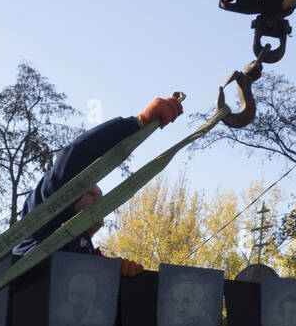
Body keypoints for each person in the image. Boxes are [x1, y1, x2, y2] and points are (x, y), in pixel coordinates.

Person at [13, 96, 183, 268]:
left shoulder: (83, 253)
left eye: (100, 197)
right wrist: (138, 123)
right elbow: (76, 156)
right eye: (92, 194)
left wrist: (115, 276)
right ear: (70, 194)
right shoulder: (41, 220)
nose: (99, 201)